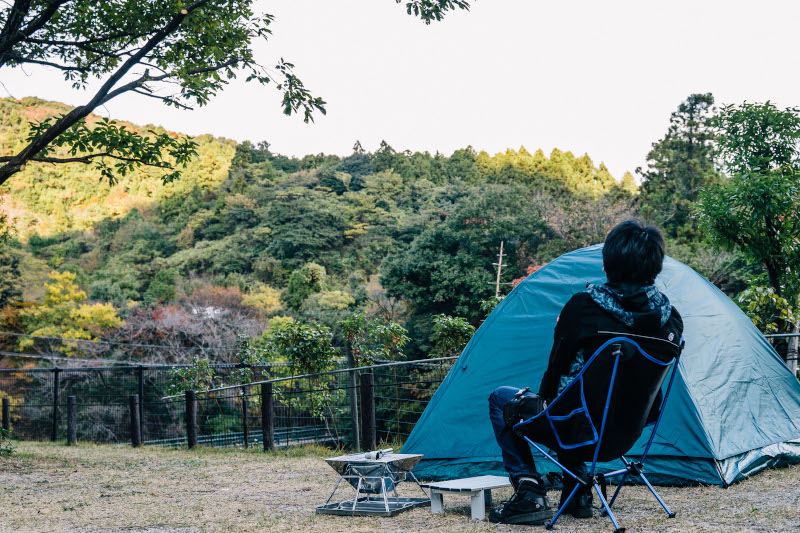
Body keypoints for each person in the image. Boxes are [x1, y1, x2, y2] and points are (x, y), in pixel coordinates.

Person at [487, 219, 684, 525]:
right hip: (626, 433)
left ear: (607, 265)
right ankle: (576, 493)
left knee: (504, 399)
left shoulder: (583, 308)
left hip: (580, 429)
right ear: (655, 268)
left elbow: (555, 376)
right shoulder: (672, 322)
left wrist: (542, 404)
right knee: (582, 402)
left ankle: (529, 493)